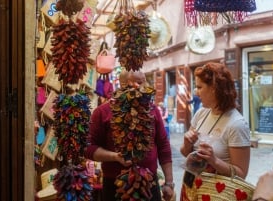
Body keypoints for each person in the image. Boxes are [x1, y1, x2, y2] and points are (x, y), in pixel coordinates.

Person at [84, 70, 174, 201]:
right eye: (140, 82)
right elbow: (88, 148)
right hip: (115, 185)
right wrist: (115, 157)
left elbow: (163, 146)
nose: (144, 87)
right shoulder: (102, 112)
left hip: (149, 183)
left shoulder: (152, 109)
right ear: (125, 84)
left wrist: (169, 182)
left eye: (144, 82)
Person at [180, 62, 251, 193]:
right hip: (191, 187)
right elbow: (185, 153)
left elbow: (241, 174)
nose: (196, 92)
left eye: (200, 87)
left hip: (216, 193)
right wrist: (187, 144)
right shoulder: (201, 113)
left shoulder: (237, 124)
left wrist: (214, 161)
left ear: (214, 88)